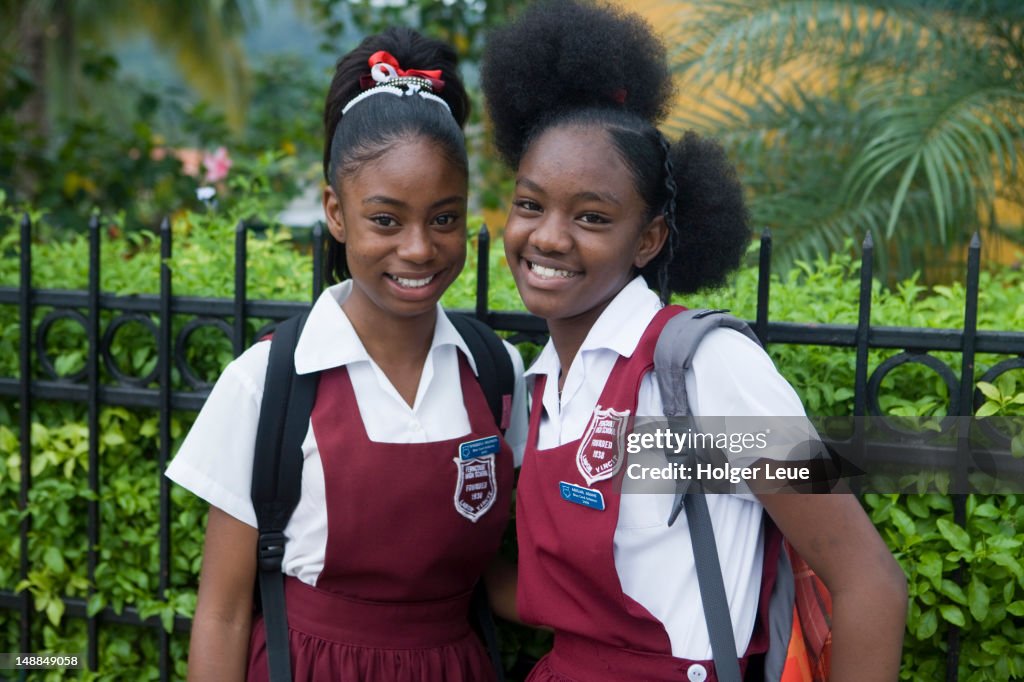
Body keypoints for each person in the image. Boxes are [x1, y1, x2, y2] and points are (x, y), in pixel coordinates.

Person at [480, 2, 907, 681]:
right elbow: (564, 602)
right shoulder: (541, 391)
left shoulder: (705, 370)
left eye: (591, 216)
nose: (549, 236)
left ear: (648, 239)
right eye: (531, 204)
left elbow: (870, 583)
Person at [166, 27, 526, 682]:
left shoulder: (498, 373)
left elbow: (507, 571)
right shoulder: (269, 383)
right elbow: (220, 613)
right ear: (336, 212)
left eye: (444, 219)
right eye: (385, 220)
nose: (418, 249)